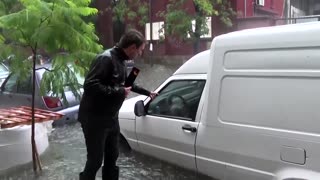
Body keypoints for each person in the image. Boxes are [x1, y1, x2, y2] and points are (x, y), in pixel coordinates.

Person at [78, 29, 157, 180]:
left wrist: (148, 93)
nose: (140, 53)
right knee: (95, 161)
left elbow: (127, 84)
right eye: (140, 50)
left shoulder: (122, 60)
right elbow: (90, 85)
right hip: (94, 119)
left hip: (111, 118)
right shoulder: (105, 58)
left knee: (112, 157)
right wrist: (118, 92)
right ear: (132, 47)